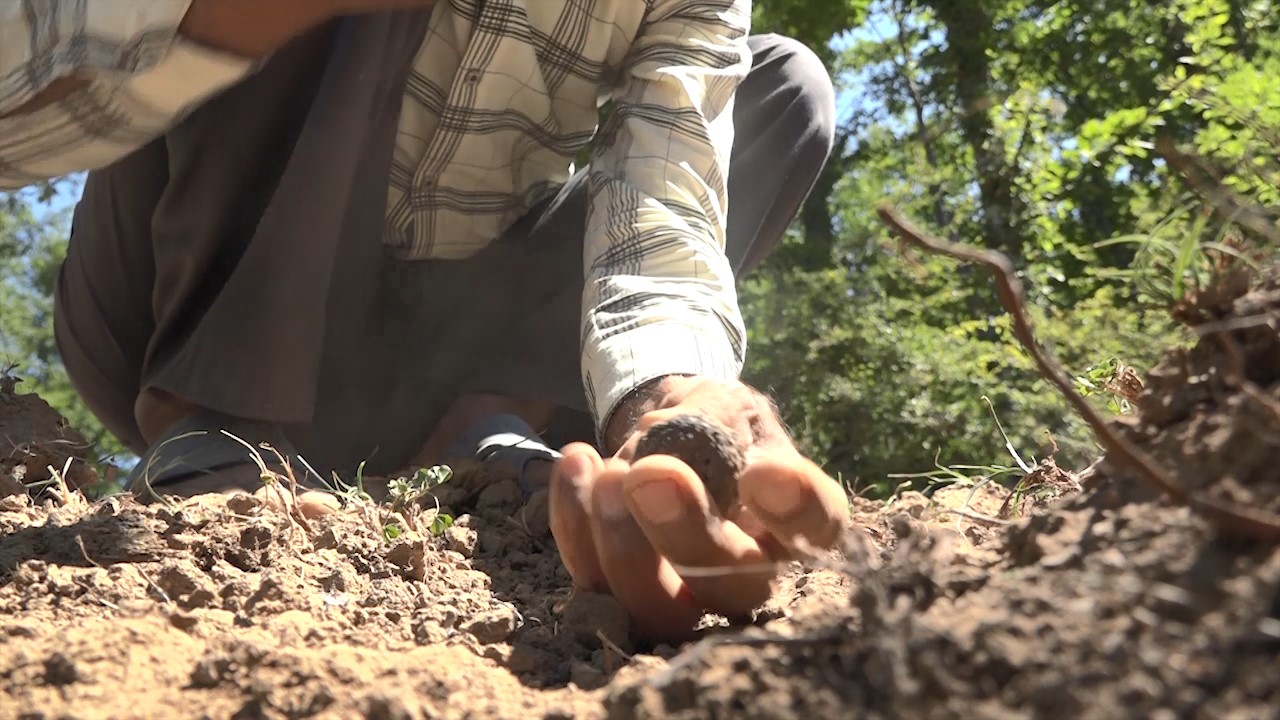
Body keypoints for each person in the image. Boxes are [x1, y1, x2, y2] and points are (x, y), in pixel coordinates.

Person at [0, 0, 850, 641]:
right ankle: (213, 418)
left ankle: (486, 434)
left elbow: (662, 198)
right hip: (165, 303)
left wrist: (668, 392)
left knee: (784, 86)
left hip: (441, 347)